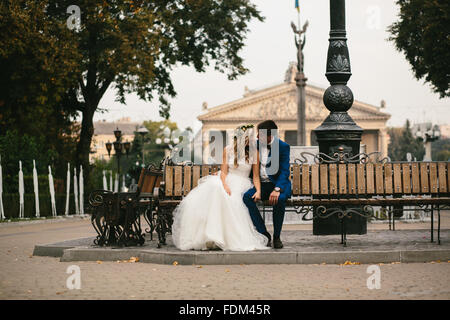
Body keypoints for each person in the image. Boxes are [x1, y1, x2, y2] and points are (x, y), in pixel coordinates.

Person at [171, 124, 269, 251]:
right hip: (227, 180)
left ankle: (224, 238)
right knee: (216, 188)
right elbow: (223, 172)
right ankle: (210, 236)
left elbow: (255, 176)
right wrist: (224, 184)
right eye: (248, 138)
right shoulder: (227, 150)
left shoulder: (254, 153)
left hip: (242, 183)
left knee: (232, 199)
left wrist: (259, 191)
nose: (250, 140)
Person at [243, 120, 291, 249]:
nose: (257, 137)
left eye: (261, 135)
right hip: (262, 185)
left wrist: (277, 189)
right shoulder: (255, 145)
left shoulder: (283, 147)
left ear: (270, 136)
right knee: (247, 197)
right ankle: (264, 233)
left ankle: (277, 237)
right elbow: (237, 158)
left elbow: (285, 171)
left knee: (279, 199)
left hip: (277, 185)